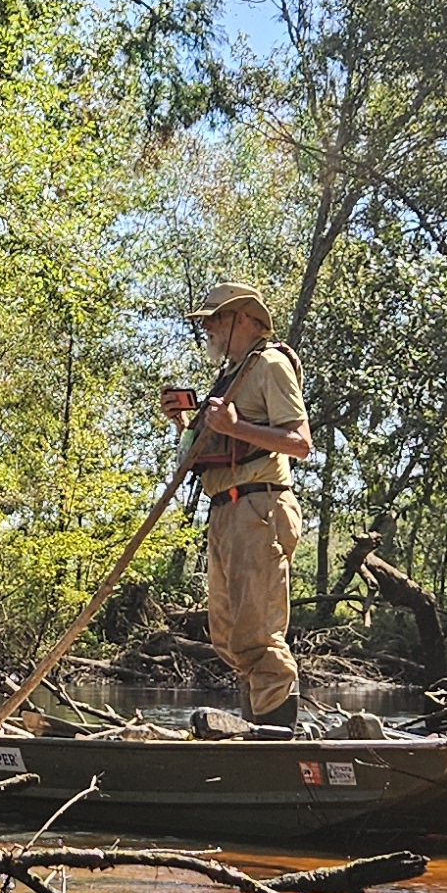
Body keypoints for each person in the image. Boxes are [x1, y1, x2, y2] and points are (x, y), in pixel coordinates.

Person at [169, 283, 313, 731]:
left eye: (216, 318)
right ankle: (261, 733)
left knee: (257, 637)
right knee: (228, 636)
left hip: (259, 508)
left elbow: (300, 443)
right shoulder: (233, 374)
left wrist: (238, 426)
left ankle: (274, 745)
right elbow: (213, 447)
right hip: (225, 510)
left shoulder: (270, 364)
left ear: (245, 319)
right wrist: (183, 425)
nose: (208, 328)